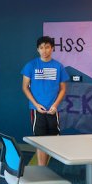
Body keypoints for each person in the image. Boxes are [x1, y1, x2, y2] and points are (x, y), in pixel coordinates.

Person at [22, 35, 68, 166]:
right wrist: (36, 105)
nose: (44, 50)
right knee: (40, 140)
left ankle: (44, 167)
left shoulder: (58, 66)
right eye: (41, 47)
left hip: (53, 110)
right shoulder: (30, 65)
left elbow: (63, 89)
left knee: (52, 140)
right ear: (38, 49)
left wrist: (55, 105)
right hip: (37, 110)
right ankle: (42, 169)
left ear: (52, 48)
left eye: (47, 47)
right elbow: (25, 88)